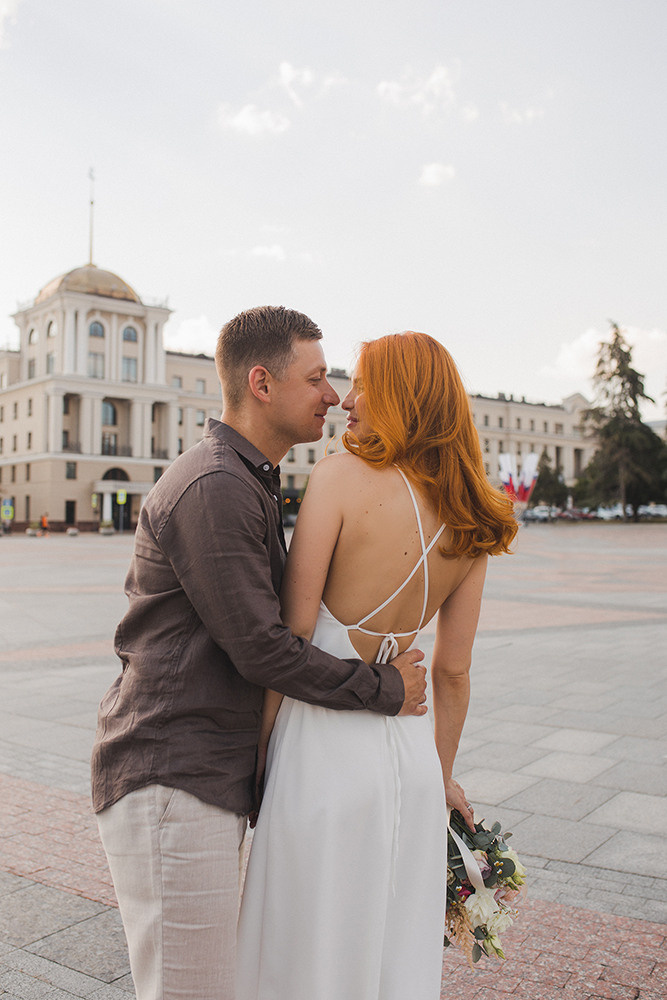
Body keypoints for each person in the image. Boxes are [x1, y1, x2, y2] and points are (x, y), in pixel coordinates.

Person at [91, 306, 428, 1000]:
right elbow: (263, 651)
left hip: (195, 775)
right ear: (262, 384)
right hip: (172, 773)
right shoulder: (216, 485)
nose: (333, 397)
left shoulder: (242, 479)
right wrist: (385, 689)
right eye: (316, 380)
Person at [236, 331, 517, 1000]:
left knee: (306, 936)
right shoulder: (474, 510)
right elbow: (451, 672)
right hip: (410, 754)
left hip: (322, 741)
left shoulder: (336, 478)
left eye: (364, 384)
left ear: (401, 395)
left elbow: (294, 635)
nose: (349, 401)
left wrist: (259, 752)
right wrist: (440, 776)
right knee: (390, 940)